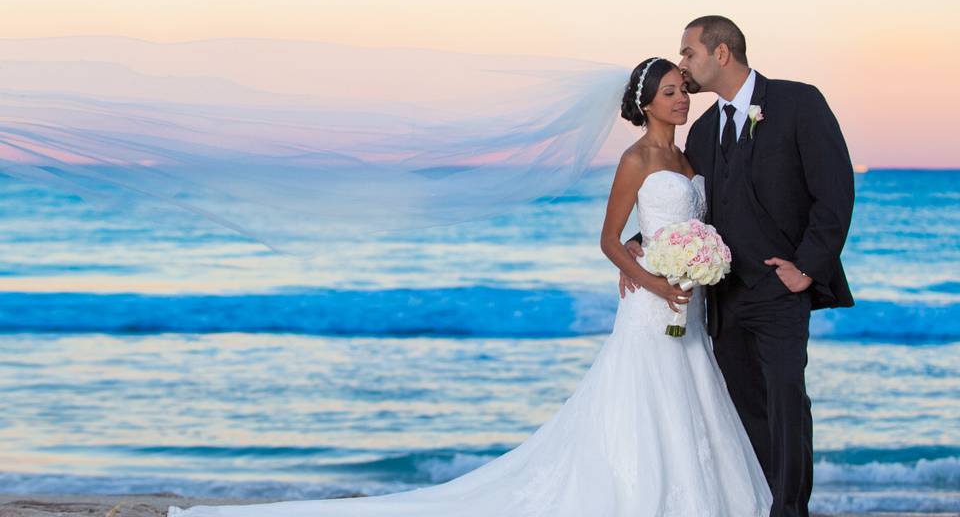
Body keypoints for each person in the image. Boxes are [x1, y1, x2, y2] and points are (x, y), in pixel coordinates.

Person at [167, 57, 773, 516]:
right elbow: (609, 240)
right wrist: (649, 279)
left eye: (682, 92)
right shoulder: (636, 159)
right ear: (645, 104)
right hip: (653, 304)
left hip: (687, 302)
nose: (681, 102)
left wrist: (690, 260)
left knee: (693, 392)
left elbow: (662, 225)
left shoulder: (691, 160)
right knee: (646, 396)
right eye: (669, 94)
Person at [621, 16, 855, 517]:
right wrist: (641, 247)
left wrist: (806, 268)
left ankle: (790, 511)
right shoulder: (702, 132)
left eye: (688, 54)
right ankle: (761, 502)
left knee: (787, 404)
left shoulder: (797, 102)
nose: (683, 66)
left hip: (779, 290)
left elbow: (834, 192)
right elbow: (690, 205)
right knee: (742, 409)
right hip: (723, 298)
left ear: (721, 53)